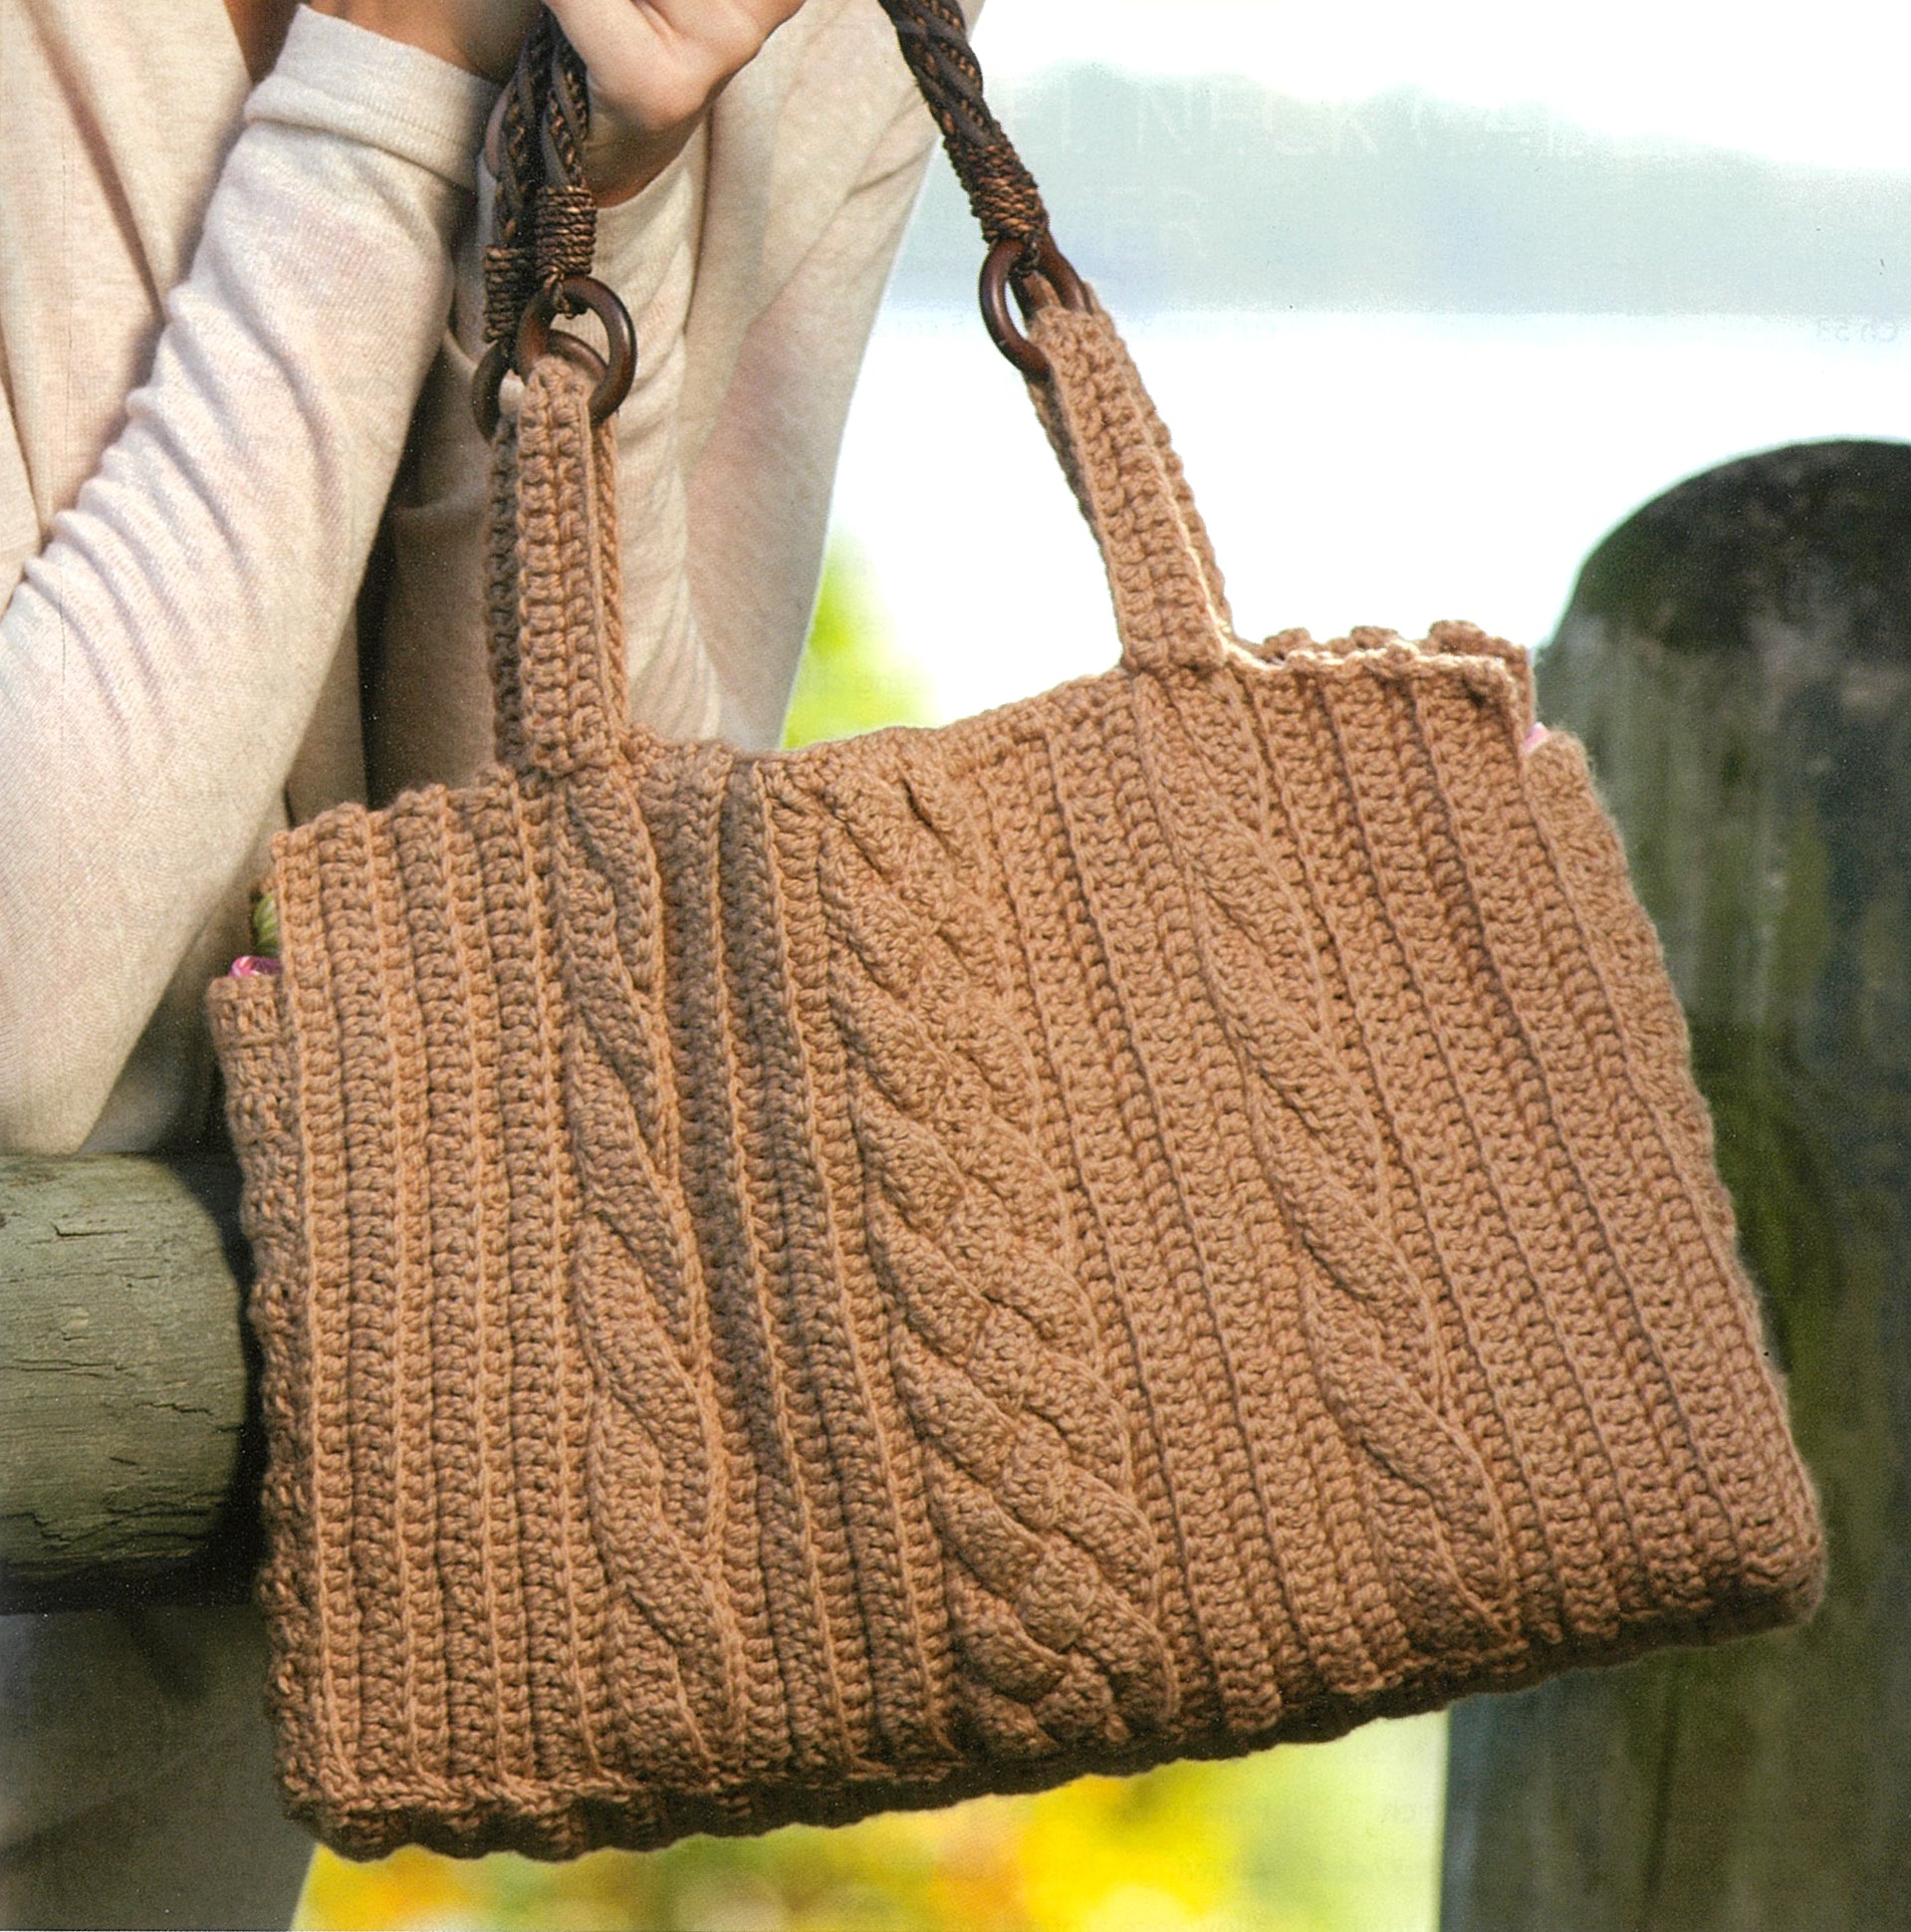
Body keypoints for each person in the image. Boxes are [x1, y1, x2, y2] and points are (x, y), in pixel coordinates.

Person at [0, 0, 980, 1921]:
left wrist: (586, 219)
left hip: (168, 1818)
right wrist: (390, 80)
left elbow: (590, 997)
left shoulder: (794, 45)